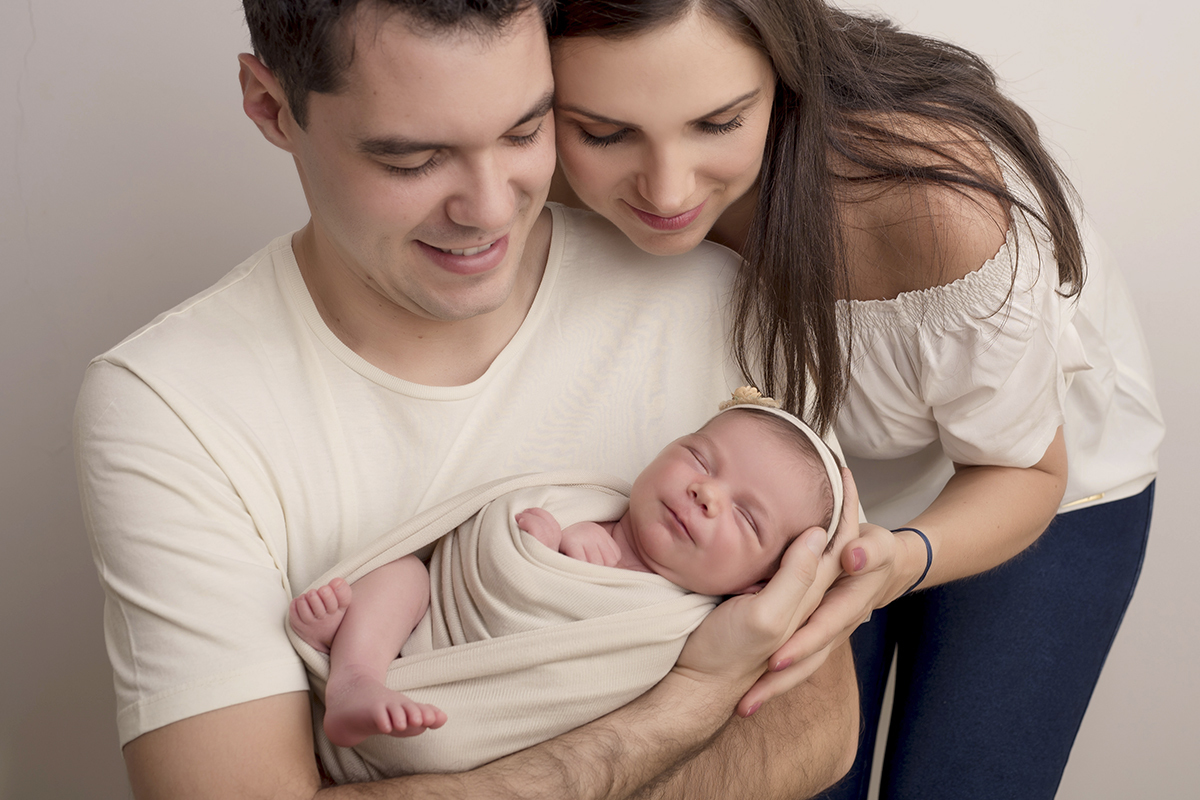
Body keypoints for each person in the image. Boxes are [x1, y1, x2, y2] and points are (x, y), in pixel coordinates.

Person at [73, 0, 863, 797]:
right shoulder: (172, 407)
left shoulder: (712, 298)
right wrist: (692, 700)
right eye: (413, 160)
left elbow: (818, 733)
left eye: (526, 132)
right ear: (271, 107)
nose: (489, 210)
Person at [547, 1, 1164, 798]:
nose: (667, 189)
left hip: (1026, 478)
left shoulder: (932, 206)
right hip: (770, 505)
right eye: (603, 132)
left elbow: (1023, 472)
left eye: (719, 122)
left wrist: (897, 561)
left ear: (782, 71)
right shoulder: (525, 167)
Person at [289, 395, 844, 769]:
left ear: (757, 585)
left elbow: (590, 688)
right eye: (699, 459)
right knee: (405, 574)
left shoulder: (677, 625)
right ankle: (355, 671)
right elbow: (482, 544)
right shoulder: (577, 495)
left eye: (747, 518)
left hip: (477, 712)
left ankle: (361, 662)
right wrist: (539, 537)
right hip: (433, 619)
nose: (707, 493)